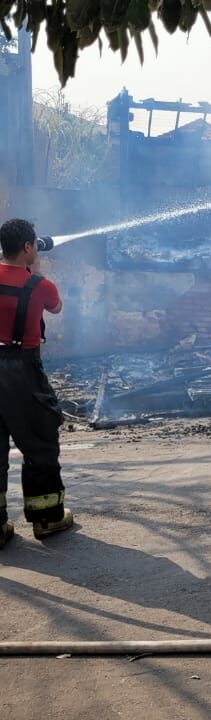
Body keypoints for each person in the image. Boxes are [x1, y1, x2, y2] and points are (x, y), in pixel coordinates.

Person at [0, 218, 73, 549]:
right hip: (23, 371)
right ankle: (47, 519)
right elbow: (56, 309)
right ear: (29, 247)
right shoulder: (40, 286)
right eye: (34, 245)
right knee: (41, 441)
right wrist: (37, 267)